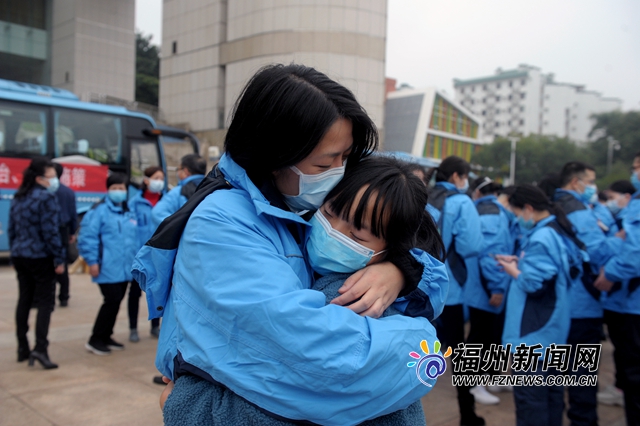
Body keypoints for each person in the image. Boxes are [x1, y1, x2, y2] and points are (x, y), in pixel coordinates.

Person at [133, 64, 447, 425]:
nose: (338, 174)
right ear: (275, 154)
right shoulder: (222, 222)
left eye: (345, 159)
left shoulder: (299, 204)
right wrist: (424, 345)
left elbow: (427, 257)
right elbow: (317, 357)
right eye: (326, 162)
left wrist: (399, 270)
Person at [162, 155, 448, 425]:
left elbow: (289, 401)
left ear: (389, 250)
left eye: (356, 234)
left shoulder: (354, 300)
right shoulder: (297, 248)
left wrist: (185, 403)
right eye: (330, 212)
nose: (332, 230)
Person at [497, 184, 583, 426]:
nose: (517, 219)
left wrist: (514, 270)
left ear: (528, 209)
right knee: (552, 398)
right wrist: (521, 262)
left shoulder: (542, 236)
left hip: (532, 335)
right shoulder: (557, 229)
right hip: (552, 330)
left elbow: (535, 284)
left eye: (516, 213)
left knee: (530, 403)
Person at [554, 161, 622, 426]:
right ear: (576, 182)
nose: (593, 187)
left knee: (558, 378)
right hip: (583, 305)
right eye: (591, 181)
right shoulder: (581, 212)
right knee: (582, 378)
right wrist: (621, 237)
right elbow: (599, 252)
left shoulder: (552, 206)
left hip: (559, 306)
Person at [425, 156, 484, 425]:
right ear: (458, 176)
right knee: (461, 354)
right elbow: (471, 245)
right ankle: (467, 414)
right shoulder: (461, 202)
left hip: (420, 285)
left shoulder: (423, 195)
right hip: (452, 288)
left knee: (419, 348)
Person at [594, 151, 640, 425]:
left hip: (633, 302)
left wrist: (610, 273)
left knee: (634, 371)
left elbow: (634, 253)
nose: (635, 172)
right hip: (628, 301)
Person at [9, 157, 65, 369]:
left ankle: (22, 347)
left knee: (24, 299)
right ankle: (40, 349)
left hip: (21, 255)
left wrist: (15, 255)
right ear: (41, 178)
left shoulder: (19, 196)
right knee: (45, 303)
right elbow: (50, 233)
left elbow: (12, 229)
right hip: (41, 257)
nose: (55, 180)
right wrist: (59, 259)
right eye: (52, 176)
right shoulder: (46, 199)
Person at [464, 177, 514, 405]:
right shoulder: (492, 212)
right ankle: (473, 383)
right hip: (487, 288)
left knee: (489, 336)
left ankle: (489, 378)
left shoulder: (488, 210)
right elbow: (490, 254)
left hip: (489, 286)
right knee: (480, 338)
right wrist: (495, 287)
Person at [79, 172, 139, 356]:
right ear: (108, 190)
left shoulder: (128, 211)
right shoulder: (99, 211)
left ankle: (106, 336)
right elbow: (88, 237)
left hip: (124, 268)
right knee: (111, 300)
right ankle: (95, 339)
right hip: (107, 266)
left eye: (121, 188)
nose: (118, 192)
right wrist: (92, 261)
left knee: (116, 301)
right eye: (114, 188)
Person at [127, 166, 165, 342]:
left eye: (161, 178)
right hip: (139, 256)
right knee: (134, 293)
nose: (160, 181)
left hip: (159, 255)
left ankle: (155, 326)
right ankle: (133, 328)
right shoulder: (134, 203)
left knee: (157, 291)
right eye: (156, 177)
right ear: (146, 180)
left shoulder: (166, 202)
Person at [151, 154, 206, 227]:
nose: (178, 172)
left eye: (178, 169)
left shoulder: (178, 192)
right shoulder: (214, 189)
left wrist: (180, 228)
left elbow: (157, 213)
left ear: (185, 171)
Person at [52, 163, 78, 307]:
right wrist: (72, 232)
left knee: (50, 263)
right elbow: (73, 214)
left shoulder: (45, 191)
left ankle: (47, 296)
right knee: (61, 263)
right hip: (63, 230)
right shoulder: (68, 192)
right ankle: (64, 296)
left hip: (51, 230)